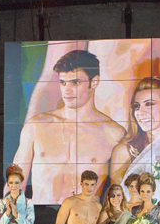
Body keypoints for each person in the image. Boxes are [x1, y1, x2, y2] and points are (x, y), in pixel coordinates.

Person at [12, 50, 124, 204]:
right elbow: (15, 185)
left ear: (94, 82)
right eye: (63, 83)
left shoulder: (113, 133)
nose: (67, 90)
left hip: (86, 215)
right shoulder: (37, 126)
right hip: (41, 213)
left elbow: (119, 193)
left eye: (75, 83)